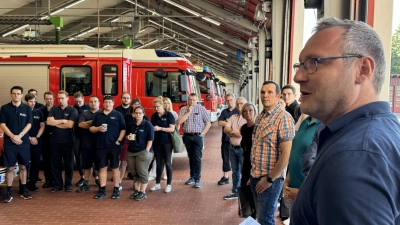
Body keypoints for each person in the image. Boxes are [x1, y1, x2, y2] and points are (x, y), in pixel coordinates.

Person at [290, 18, 400, 224]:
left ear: (363, 70)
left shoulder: (355, 157)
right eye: (300, 64)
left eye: (314, 62)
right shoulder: (380, 130)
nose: (298, 76)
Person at [250, 81, 295, 225]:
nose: (265, 95)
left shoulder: (284, 118)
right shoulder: (260, 117)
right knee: (260, 217)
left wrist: (269, 179)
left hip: (270, 180)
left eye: (269, 92)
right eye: (263, 92)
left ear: (277, 96)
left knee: (265, 219)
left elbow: (287, 154)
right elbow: (256, 147)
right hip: (255, 176)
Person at [0, 86, 33, 202]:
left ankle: (23, 190)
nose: (16, 96)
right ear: (11, 95)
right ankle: (8, 192)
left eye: (18, 94)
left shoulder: (27, 109)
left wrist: (20, 136)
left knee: (23, 166)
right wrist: (13, 136)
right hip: (10, 143)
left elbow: (29, 124)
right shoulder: (4, 108)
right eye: (14, 94)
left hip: (23, 143)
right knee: (10, 168)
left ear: (22, 95)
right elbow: (2, 124)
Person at [90, 95, 126, 200]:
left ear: (113, 103)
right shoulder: (98, 115)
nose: (108, 104)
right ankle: (102, 190)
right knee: (102, 168)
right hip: (101, 146)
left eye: (110, 102)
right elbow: (91, 128)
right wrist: (98, 128)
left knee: (115, 168)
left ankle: (116, 189)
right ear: (103, 103)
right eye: (106, 102)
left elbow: (123, 129)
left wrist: (118, 141)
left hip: (114, 146)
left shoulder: (118, 115)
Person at [176, 93, 211, 188]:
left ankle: (197, 179)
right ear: (187, 100)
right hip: (187, 137)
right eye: (190, 99)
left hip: (197, 137)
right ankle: (192, 177)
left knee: (197, 157)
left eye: (194, 100)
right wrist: (188, 112)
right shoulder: (183, 109)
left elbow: (208, 123)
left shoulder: (201, 109)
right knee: (191, 157)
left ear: (197, 100)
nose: (192, 102)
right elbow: (179, 121)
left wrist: (202, 134)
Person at [47, 90, 78, 193]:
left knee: (69, 164)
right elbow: (48, 122)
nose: (60, 100)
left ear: (67, 98)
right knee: (55, 164)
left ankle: (68, 184)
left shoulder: (73, 110)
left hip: (68, 141)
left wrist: (55, 123)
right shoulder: (54, 109)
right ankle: (58, 184)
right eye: (58, 98)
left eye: (62, 98)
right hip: (55, 141)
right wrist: (63, 121)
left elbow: (70, 125)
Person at [282, 116, 320, 201]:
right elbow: (296, 152)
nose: (299, 101)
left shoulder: (323, 124)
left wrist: (301, 192)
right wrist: (287, 180)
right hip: (293, 190)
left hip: (308, 194)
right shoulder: (305, 122)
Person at [125, 106, 154, 201]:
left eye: (140, 113)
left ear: (143, 114)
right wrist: (128, 137)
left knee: (142, 172)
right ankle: (137, 190)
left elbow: (151, 139)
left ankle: (142, 192)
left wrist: (146, 150)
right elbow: (126, 135)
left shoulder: (147, 125)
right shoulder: (131, 124)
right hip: (131, 151)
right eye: (136, 113)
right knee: (133, 172)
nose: (138, 115)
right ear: (133, 114)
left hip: (143, 151)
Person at [223, 97, 247, 200]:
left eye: (241, 104)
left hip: (243, 149)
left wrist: (236, 132)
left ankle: (245, 192)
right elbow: (226, 129)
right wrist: (233, 132)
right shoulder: (233, 117)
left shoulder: (249, 118)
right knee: (235, 171)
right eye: (237, 104)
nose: (239, 106)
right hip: (232, 148)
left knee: (244, 171)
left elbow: (245, 132)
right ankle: (235, 191)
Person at [76, 96, 101, 193]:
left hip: (99, 144)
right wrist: (95, 124)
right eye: (91, 101)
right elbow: (80, 124)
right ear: (88, 103)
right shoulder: (84, 113)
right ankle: (86, 184)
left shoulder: (102, 114)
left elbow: (103, 125)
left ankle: (100, 183)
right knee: (87, 165)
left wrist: (88, 123)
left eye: (95, 101)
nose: (93, 103)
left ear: (99, 103)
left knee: (99, 165)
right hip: (87, 144)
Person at [150, 98, 175, 193]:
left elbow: (172, 129)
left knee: (168, 163)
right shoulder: (154, 116)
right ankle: (157, 184)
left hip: (167, 142)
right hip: (157, 142)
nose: (156, 108)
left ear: (163, 106)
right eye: (155, 107)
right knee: (158, 163)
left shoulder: (169, 115)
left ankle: (169, 184)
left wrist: (160, 128)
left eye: (158, 106)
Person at [240, 102, 258, 218]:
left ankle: (255, 215)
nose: (248, 113)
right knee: (245, 189)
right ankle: (249, 215)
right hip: (246, 162)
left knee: (254, 190)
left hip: (255, 163)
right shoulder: (244, 128)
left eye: (250, 110)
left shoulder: (257, 128)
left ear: (255, 112)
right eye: (245, 111)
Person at [25, 93, 45, 192]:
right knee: (24, 164)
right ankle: (23, 184)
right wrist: (29, 138)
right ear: (26, 102)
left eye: (34, 101)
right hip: (25, 141)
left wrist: (36, 137)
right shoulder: (23, 113)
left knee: (36, 163)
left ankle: (32, 184)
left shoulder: (39, 112)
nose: (33, 103)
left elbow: (42, 126)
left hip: (37, 141)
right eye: (30, 101)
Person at [217, 93, 237, 185]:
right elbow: (219, 123)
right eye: (227, 100)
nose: (229, 102)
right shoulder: (224, 112)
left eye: (231, 100)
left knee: (238, 159)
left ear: (234, 99)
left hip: (237, 140)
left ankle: (238, 177)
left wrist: (226, 122)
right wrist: (231, 123)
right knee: (225, 158)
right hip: (225, 139)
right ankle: (225, 176)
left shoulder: (238, 111)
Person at [38, 91, 56, 189]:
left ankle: (56, 180)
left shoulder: (58, 110)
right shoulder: (40, 110)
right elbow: (40, 124)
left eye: (50, 99)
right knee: (46, 160)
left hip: (56, 138)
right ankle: (48, 180)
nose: (49, 101)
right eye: (47, 99)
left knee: (55, 160)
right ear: (44, 99)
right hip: (45, 138)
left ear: (53, 99)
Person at [73, 91, 90, 187]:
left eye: (79, 101)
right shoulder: (73, 109)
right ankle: (82, 177)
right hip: (77, 135)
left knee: (89, 157)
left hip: (88, 135)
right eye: (76, 101)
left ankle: (96, 178)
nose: (78, 103)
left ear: (83, 99)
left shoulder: (88, 108)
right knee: (78, 157)